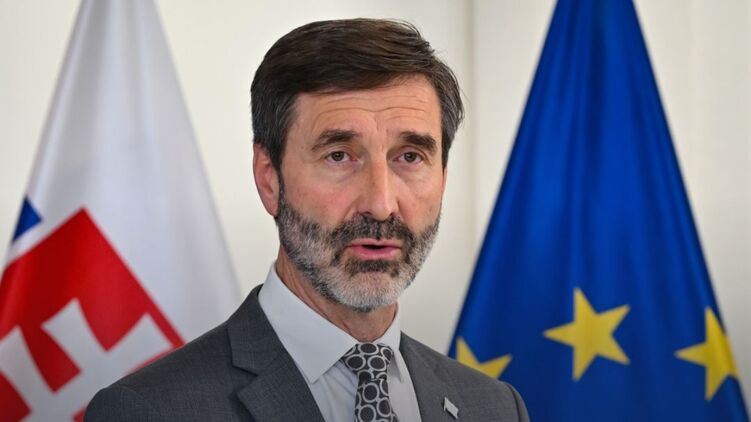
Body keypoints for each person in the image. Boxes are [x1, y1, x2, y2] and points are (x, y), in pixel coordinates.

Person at [85, 18, 528, 422]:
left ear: (443, 177)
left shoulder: (495, 408)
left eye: (410, 157)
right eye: (339, 156)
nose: (381, 205)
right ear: (269, 179)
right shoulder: (149, 411)